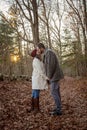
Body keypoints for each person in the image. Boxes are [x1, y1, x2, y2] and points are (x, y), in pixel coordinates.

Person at [36, 43, 64, 115]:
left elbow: (50, 66)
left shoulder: (49, 53)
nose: (38, 50)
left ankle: (58, 110)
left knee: (53, 92)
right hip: (54, 76)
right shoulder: (47, 53)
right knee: (56, 92)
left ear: (41, 48)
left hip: (54, 76)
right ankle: (58, 108)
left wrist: (49, 76)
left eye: (38, 49)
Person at [28, 49, 48, 113]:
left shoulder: (39, 60)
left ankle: (33, 108)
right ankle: (36, 109)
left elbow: (42, 68)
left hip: (36, 78)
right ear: (36, 54)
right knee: (35, 93)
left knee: (34, 92)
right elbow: (40, 71)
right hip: (37, 79)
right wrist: (46, 78)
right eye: (37, 52)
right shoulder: (36, 61)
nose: (39, 52)